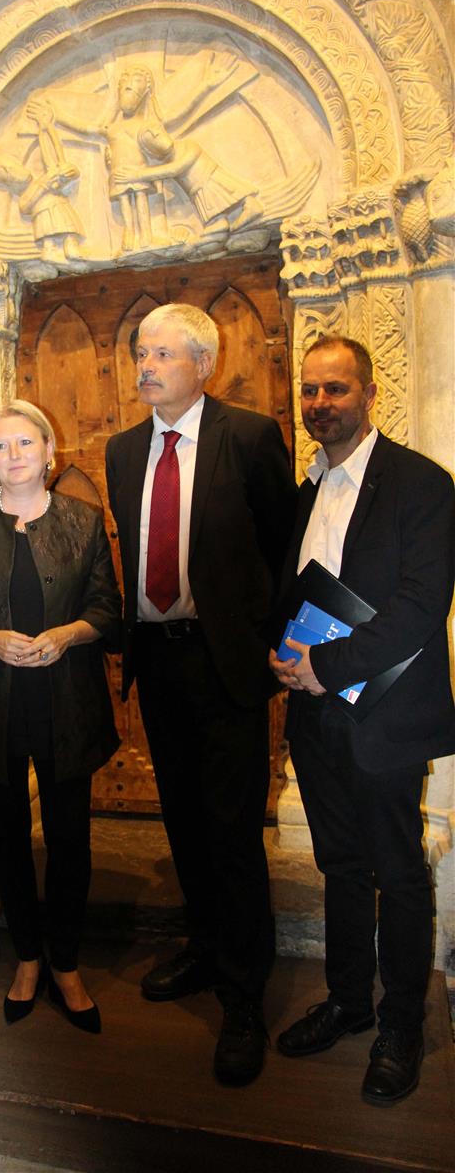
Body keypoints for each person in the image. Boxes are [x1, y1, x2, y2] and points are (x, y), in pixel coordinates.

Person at [105, 302, 296, 1085]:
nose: (146, 367)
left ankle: (244, 997)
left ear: (204, 365)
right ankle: (207, 948)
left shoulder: (247, 438)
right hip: (159, 661)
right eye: (140, 354)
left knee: (231, 832)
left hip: (225, 665)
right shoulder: (123, 451)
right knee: (183, 822)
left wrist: (268, 647)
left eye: (162, 354)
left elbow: (283, 550)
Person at [270, 335, 455, 1106]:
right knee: (341, 866)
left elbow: (421, 606)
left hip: (385, 718)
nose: (321, 403)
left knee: (399, 872)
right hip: (316, 717)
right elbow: (298, 593)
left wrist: (328, 664)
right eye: (310, 390)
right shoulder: (307, 490)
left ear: (370, 394)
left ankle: (401, 1026)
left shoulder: (422, 483)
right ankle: (349, 1001)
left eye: (336, 389)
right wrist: (282, 653)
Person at [0, 400, 120, 1032]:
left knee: (69, 839)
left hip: (67, 703)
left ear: (49, 451)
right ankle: (28, 958)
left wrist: (67, 635)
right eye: (1, 445)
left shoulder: (83, 522)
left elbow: (107, 609)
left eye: (25, 442)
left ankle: (66, 962)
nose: (14, 455)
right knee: (4, 838)